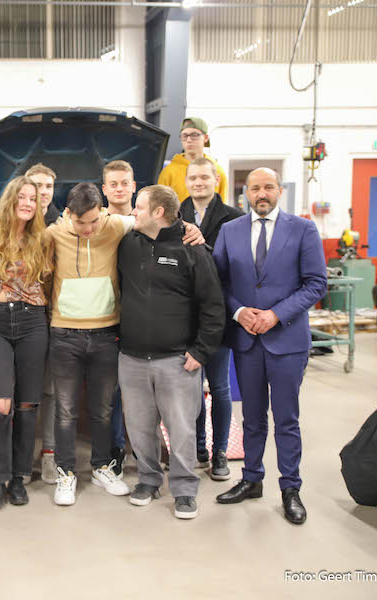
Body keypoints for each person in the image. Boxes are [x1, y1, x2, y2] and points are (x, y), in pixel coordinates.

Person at [44, 183, 205, 506]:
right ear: (68, 214)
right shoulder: (53, 234)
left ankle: (103, 467)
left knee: (104, 410)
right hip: (65, 334)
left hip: (106, 333)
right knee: (66, 410)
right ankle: (66, 472)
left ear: (102, 212)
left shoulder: (116, 225)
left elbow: (162, 219)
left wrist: (190, 228)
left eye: (94, 220)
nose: (89, 229)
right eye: (81, 222)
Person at [212, 168, 327, 525]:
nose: (261, 194)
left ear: (279, 191)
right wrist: (239, 311)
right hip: (247, 340)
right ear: (245, 193)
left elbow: (316, 284)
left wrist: (276, 314)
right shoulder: (230, 231)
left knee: (286, 418)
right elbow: (218, 282)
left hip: (287, 340)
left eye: (268, 187)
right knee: (252, 417)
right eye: (255, 188)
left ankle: (290, 488)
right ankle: (251, 479)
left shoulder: (303, 229)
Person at [117, 185, 225, 520]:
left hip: (177, 360)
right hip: (132, 357)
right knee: (139, 428)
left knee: (181, 430)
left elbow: (213, 305)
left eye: (138, 207)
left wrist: (201, 351)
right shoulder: (127, 243)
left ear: (158, 212)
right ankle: (148, 480)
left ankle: (184, 489)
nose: (133, 212)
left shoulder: (192, 249)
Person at [0, 176, 52, 510]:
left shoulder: (44, 238)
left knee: (26, 405)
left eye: (32, 199)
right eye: (21, 197)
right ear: (10, 200)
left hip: (33, 321)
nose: (27, 203)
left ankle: (19, 477)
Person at [180, 157, 244, 480]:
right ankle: (198, 448)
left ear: (216, 179)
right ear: (186, 181)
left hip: (218, 317)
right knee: (191, 388)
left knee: (218, 387)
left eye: (204, 177)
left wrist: (204, 246)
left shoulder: (235, 218)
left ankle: (219, 452)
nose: (198, 182)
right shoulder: (175, 214)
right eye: (193, 178)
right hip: (184, 318)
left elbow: (237, 267)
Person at [23, 163, 60, 482]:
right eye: (37, 185)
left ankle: (49, 453)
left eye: (48, 185)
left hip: (57, 317)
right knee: (23, 390)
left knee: (51, 391)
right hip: (23, 318)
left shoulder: (65, 223)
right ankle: (21, 456)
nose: (43, 191)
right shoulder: (15, 223)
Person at [101, 160, 137, 473]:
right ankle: (115, 450)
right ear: (104, 189)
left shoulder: (148, 220)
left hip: (141, 319)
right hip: (106, 317)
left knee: (140, 390)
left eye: (124, 182)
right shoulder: (95, 222)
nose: (119, 188)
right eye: (113, 183)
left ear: (134, 186)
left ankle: (143, 449)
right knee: (111, 391)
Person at [158, 117, 228, 203]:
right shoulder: (169, 172)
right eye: (184, 136)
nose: (189, 140)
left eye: (194, 135)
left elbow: (223, 205)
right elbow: (161, 205)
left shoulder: (217, 171)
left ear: (206, 138)